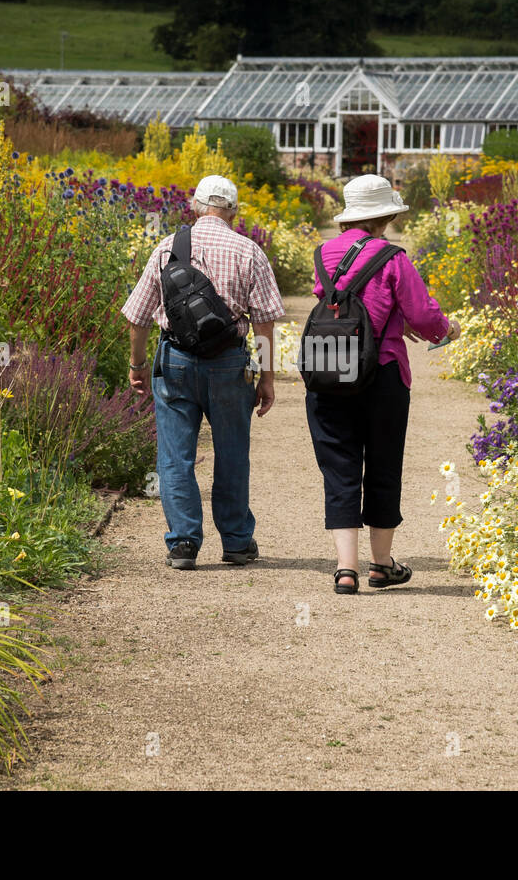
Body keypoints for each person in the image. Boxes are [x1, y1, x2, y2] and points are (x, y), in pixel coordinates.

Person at [304, 174, 460, 595]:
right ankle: (381, 565)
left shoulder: (324, 252)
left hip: (330, 368)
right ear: (386, 215)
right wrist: (448, 329)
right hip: (383, 372)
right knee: (383, 463)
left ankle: (345, 568)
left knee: (339, 464)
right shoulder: (392, 257)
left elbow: (338, 300)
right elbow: (424, 315)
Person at [122, 175, 285, 570]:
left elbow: (138, 317)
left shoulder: (167, 248)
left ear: (195, 207)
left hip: (175, 360)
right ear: (233, 212)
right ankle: (236, 543)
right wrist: (266, 377)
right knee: (232, 453)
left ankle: (183, 544)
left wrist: (138, 365)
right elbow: (264, 323)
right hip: (230, 363)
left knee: (176, 457)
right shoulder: (249, 250)